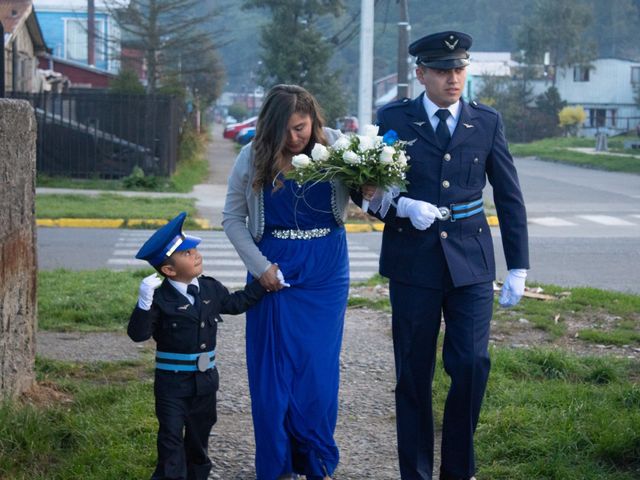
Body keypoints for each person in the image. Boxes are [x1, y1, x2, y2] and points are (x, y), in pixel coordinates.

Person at [365, 31, 530, 480]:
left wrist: (518, 265)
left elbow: (510, 196)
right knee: (414, 374)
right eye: (441, 70)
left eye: (459, 69)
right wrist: (400, 207)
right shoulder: (394, 118)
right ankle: (415, 473)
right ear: (421, 74)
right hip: (413, 261)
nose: (452, 78)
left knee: (472, 364)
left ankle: (458, 469)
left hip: (471, 261)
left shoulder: (487, 121)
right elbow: (368, 191)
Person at [223, 84, 358, 480]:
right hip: (272, 274)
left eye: (300, 128)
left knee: (317, 373)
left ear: (314, 121)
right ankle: (278, 466)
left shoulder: (339, 146)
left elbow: (375, 194)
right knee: (273, 375)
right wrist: (260, 267)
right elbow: (232, 219)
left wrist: (373, 186)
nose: (293, 138)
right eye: (285, 130)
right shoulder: (252, 156)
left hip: (326, 272)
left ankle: (315, 461)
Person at [128, 211, 267, 480]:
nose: (196, 254)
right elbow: (138, 335)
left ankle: (197, 474)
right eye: (187, 253)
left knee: (198, 436)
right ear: (168, 270)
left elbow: (235, 304)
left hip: (204, 383)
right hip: (172, 384)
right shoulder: (160, 298)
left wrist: (263, 283)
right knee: (170, 436)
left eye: (193, 249)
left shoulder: (210, 289)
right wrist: (143, 303)